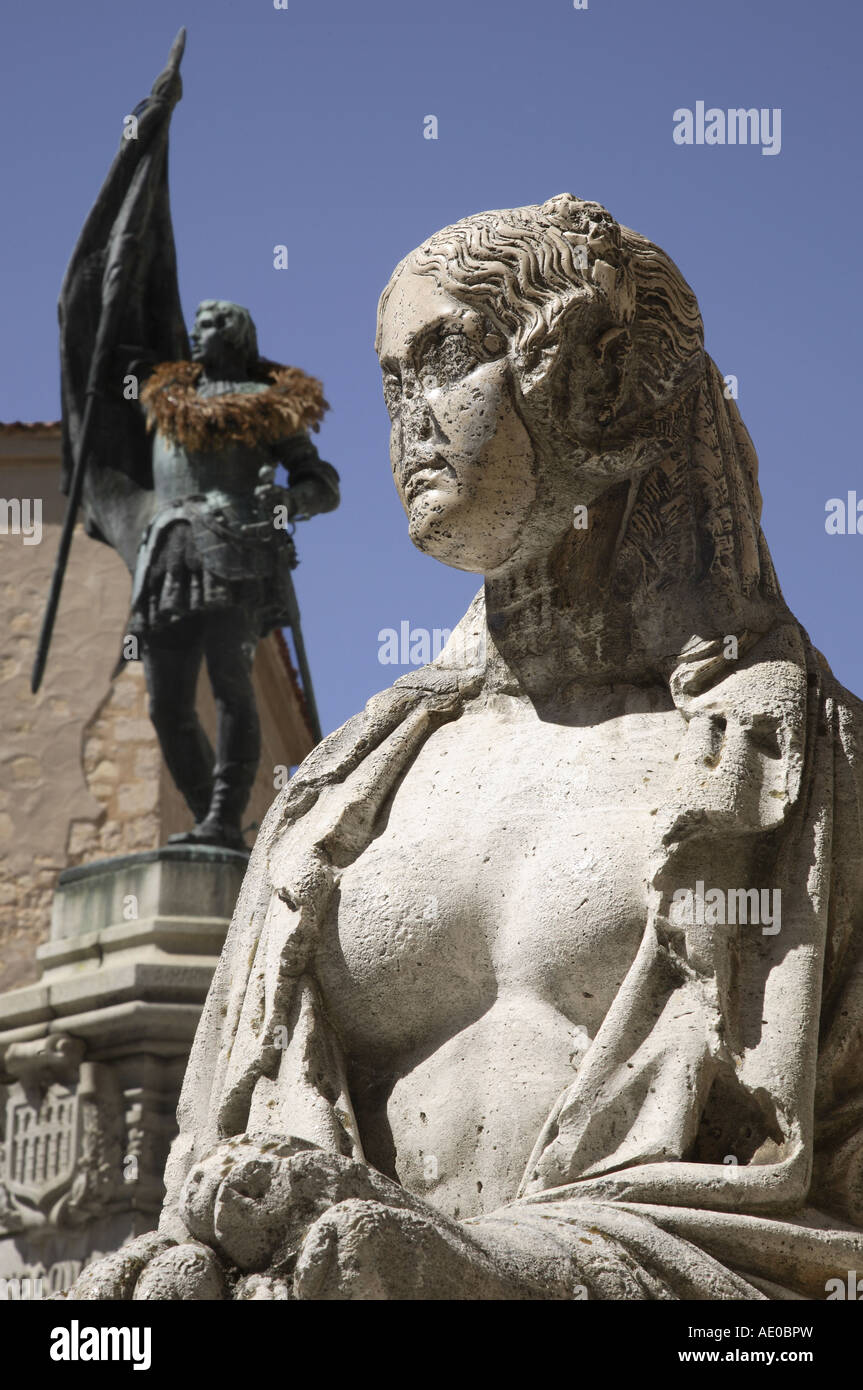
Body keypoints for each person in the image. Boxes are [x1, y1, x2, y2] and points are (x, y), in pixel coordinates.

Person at [71, 196, 863, 1300]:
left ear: (591, 372)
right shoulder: (344, 795)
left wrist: (482, 1275)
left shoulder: (795, 772)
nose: (408, 416)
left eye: (444, 360)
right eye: (392, 380)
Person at [127, 299, 339, 850]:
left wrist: (286, 501)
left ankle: (224, 814)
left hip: (235, 546)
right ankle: (210, 817)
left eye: (216, 323)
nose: (202, 331)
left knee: (229, 681)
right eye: (198, 323)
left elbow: (322, 486)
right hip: (168, 552)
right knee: (164, 702)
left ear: (241, 336)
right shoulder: (168, 400)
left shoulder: (268, 406)